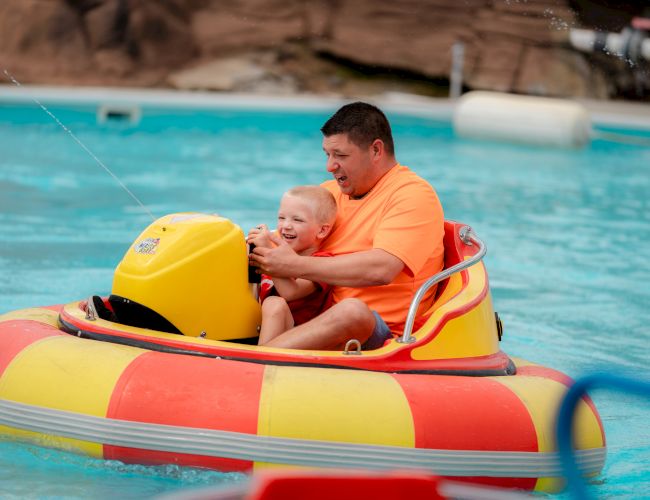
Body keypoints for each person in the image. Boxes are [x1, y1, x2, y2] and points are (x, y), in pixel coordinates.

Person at [249, 101, 445, 350]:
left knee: (351, 312)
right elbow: (288, 240)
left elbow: (381, 270)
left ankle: (257, 361)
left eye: (340, 156)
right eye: (328, 155)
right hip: (315, 318)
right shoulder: (328, 193)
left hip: (381, 334)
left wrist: (294, 265)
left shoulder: (413, 195)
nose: (330, 166)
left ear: (375, 150)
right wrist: (263, 245)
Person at [248, 185, 337, 345]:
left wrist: (266, 250)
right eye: (282, 218)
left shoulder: (324, 262)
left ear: (322, 231)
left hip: (297, 338)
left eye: (297, 220)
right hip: (258, 328)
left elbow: (290, 291)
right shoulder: (274, 251)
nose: (286, 225)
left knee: (274, 303)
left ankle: (258, 360)